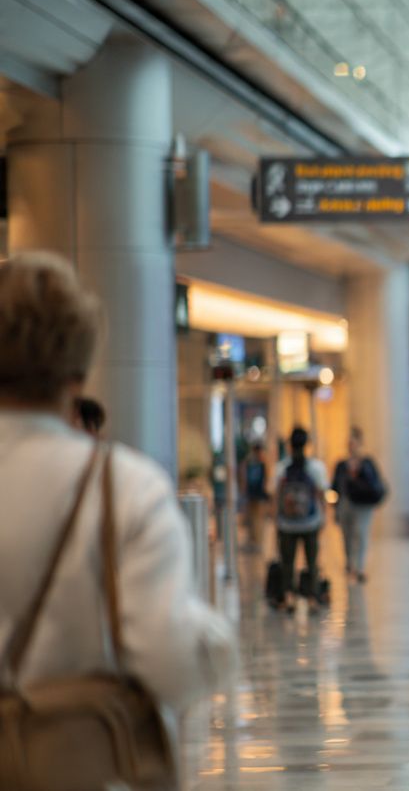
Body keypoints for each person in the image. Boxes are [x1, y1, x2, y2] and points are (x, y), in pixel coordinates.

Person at [0, 254, 238, 770]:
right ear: (80, 372)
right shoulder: (122, 487)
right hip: (77, 761)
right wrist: (215, 639)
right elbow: (171, 662)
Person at [271, 426, 330, 612]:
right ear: (307, 444)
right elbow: (321, 495)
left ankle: (289, 598)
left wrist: (276, 519)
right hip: (310, 522)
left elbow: (275, 496)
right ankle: (313, 598)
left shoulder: (281, 468)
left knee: (287, 562)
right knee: (312, 562)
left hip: (286, 524)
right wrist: (324, 517)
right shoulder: (316, 468)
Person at [332, 426, 386, 583]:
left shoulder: (367, 463)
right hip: (345, 504)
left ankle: (360, 567)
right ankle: (350, 563)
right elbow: (335, 486)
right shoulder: (341, 465)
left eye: (354, 443)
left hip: (363, 504)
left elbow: (375, 483)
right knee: (347, 535)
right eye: (349, 443)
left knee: (361, 534)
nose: (351, 446)